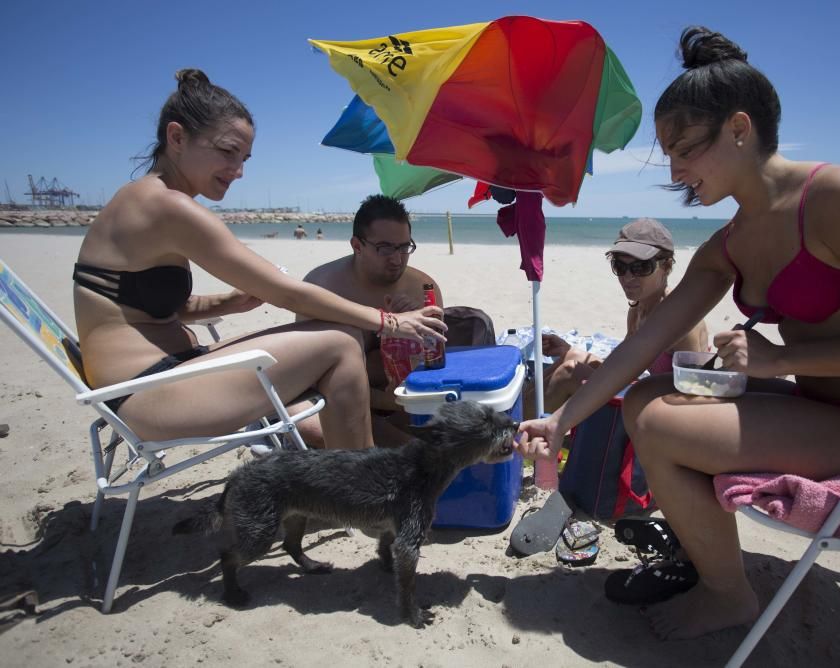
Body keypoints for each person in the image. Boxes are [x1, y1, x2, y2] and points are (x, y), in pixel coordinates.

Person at [514, 27, 840, 641]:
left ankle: (727, 594)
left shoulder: (838, 197)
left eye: (684, 149)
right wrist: (562, 420)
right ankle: (712, 571)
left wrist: (782, 360)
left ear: (738, 128)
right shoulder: (732, 242)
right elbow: (643, 346)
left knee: (664, 420)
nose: (674, 170)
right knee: (648, 400)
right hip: (828, 416)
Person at [72, 69, 445, 451]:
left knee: (332, 340)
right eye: (227, 152)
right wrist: (391, 322)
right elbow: (289, 294)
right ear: (177, 137)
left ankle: (359, 467)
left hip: (165, 373)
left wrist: (227, 303)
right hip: (145, 395)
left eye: (244, 157)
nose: (238, 171)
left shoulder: (142, 198)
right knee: (340, 341)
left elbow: (138, 307)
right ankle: (364, 491)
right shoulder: (166, 207)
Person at [527, 218, 708, 417]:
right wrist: (567, 350)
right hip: (643, 390)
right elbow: (623, 360)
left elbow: (693, 398)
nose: (628, 277)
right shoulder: (638, 309)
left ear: (666, 266)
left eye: (641, 267)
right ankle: (518, 416)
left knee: (569, 372)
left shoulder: (683, 322)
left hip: (659, 410)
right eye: (620, 266)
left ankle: (521, 431)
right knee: (569, 357)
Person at [300, 194, 442, 446]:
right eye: (385, 248)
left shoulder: (422, 288)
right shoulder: (323, 286)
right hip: (337, 398)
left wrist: (409, 335)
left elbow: (434, 361)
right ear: (357, 245)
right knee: (310, 425)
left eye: (404, 247)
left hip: (403, 399)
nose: (397, 259)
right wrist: (384, 400)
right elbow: (311, 373)